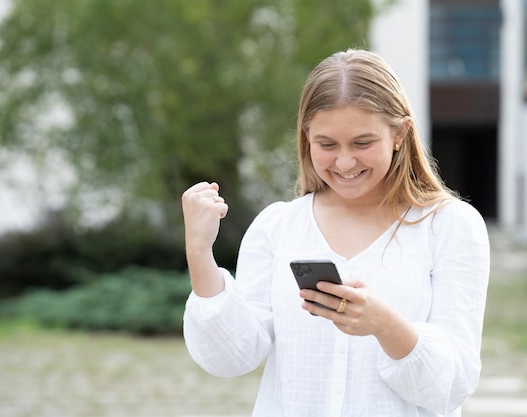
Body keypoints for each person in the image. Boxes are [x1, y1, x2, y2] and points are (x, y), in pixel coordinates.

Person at [181, 48, 490, 417]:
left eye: (363, 143)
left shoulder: (451, 226)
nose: (344, 162)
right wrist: (200, 254)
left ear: (399, 133)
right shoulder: (276, 226)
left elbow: (453, 385)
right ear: (306, 137)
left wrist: (384, 325)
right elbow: (232, 357)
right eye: (326, 145)